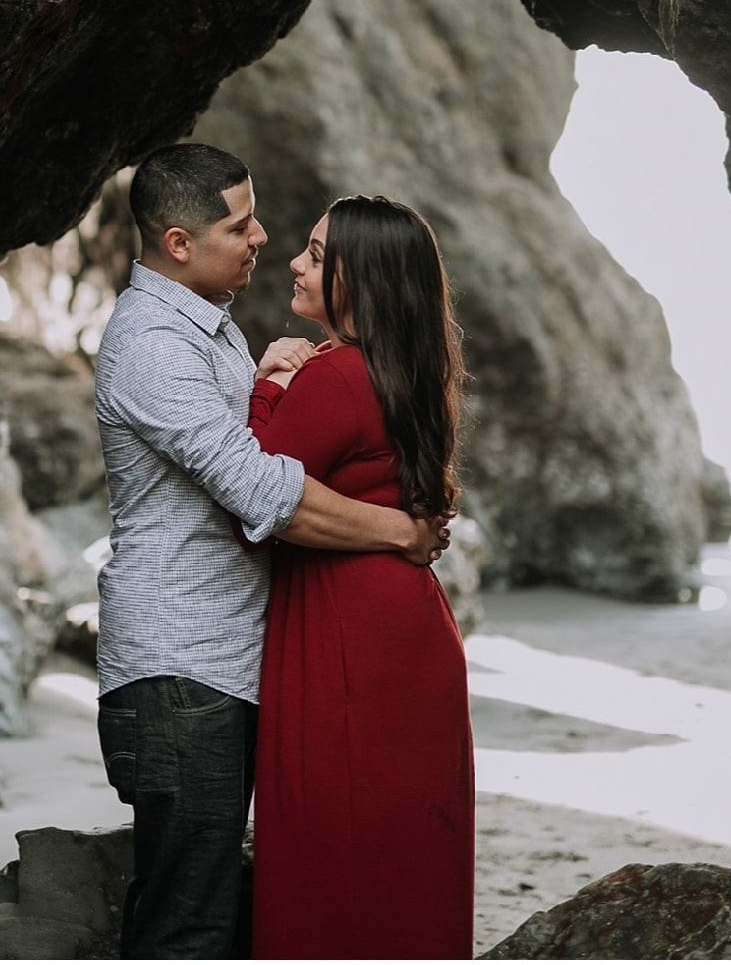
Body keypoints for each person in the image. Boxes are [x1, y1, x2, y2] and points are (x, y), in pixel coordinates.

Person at [92, 144, 453, 959]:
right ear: (179, 243)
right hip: (181, 668)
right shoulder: (151, 340)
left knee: (213, 904)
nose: (264, 239)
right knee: (190, 922)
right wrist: (403, 531)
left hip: (223, 664)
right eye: (241, 224)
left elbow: (245, 442)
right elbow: (260, 490)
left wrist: (263, 376)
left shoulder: (205, 327)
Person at [244, 195, 476, 959]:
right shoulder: (409, 370)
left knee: (328, 837)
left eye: (316, 254)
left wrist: (269, 381)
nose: (295, 264)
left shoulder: (337, 375)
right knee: (404, 845)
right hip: (405, 624)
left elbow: (254, 482)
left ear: (361, 277)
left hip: (347, 630)